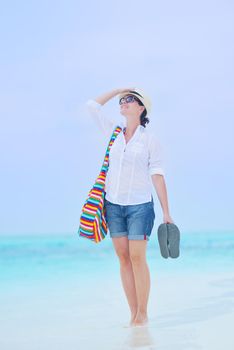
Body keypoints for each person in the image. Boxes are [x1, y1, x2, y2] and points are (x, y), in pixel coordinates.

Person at [85, 87, 174, 327]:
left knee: (137, 257)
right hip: (113, 205)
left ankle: (143, 314)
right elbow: (92, 106)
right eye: (121, 101)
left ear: (141, 108)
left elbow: (157, 175)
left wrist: (166, 212)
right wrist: (119, 90)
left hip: (140, 206)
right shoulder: (113, 133)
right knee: (123, 257)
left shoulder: (149, 140)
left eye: (129, 100)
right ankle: (133, 314)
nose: (123, 103)